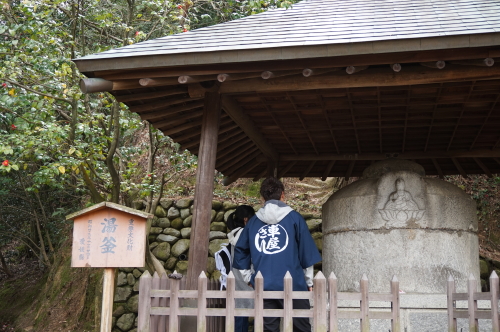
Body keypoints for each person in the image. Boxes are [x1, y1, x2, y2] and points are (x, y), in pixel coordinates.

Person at [233, 177, 322, 332]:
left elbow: (240, 250)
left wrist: (248, 277)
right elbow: (305, 252)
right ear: (283, 195)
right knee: (300, 327)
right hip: (294, 284)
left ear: (262, 198)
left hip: (264, 284)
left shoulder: (253, 223)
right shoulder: (295, 218)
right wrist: (309, 282)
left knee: (267, 329)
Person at [215, 205, 255, 332]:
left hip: (236, 278)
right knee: (260, 315)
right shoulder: (246, 233)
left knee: (239, 315)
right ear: (246, 219)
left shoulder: (235, 233)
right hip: (248, 277)